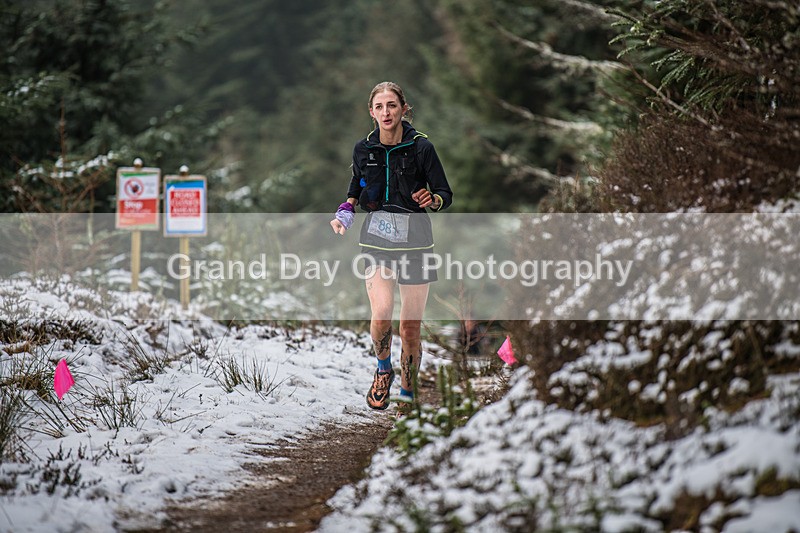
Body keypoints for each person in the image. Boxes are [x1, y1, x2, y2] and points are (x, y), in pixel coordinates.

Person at [330, 81, 453, 414]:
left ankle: (408, 392)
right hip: (376, 241)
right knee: (382, 315)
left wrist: (434, 198)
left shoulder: (421, 148)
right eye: (380, 107)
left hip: (416, 243)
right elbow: (355, 187)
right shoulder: (363, 149)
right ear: (371, 112)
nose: (386, 112)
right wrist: (345, 212)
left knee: (409, 326)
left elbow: (445, 193)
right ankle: (384, 369)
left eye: (392, 106)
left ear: (403, 109)